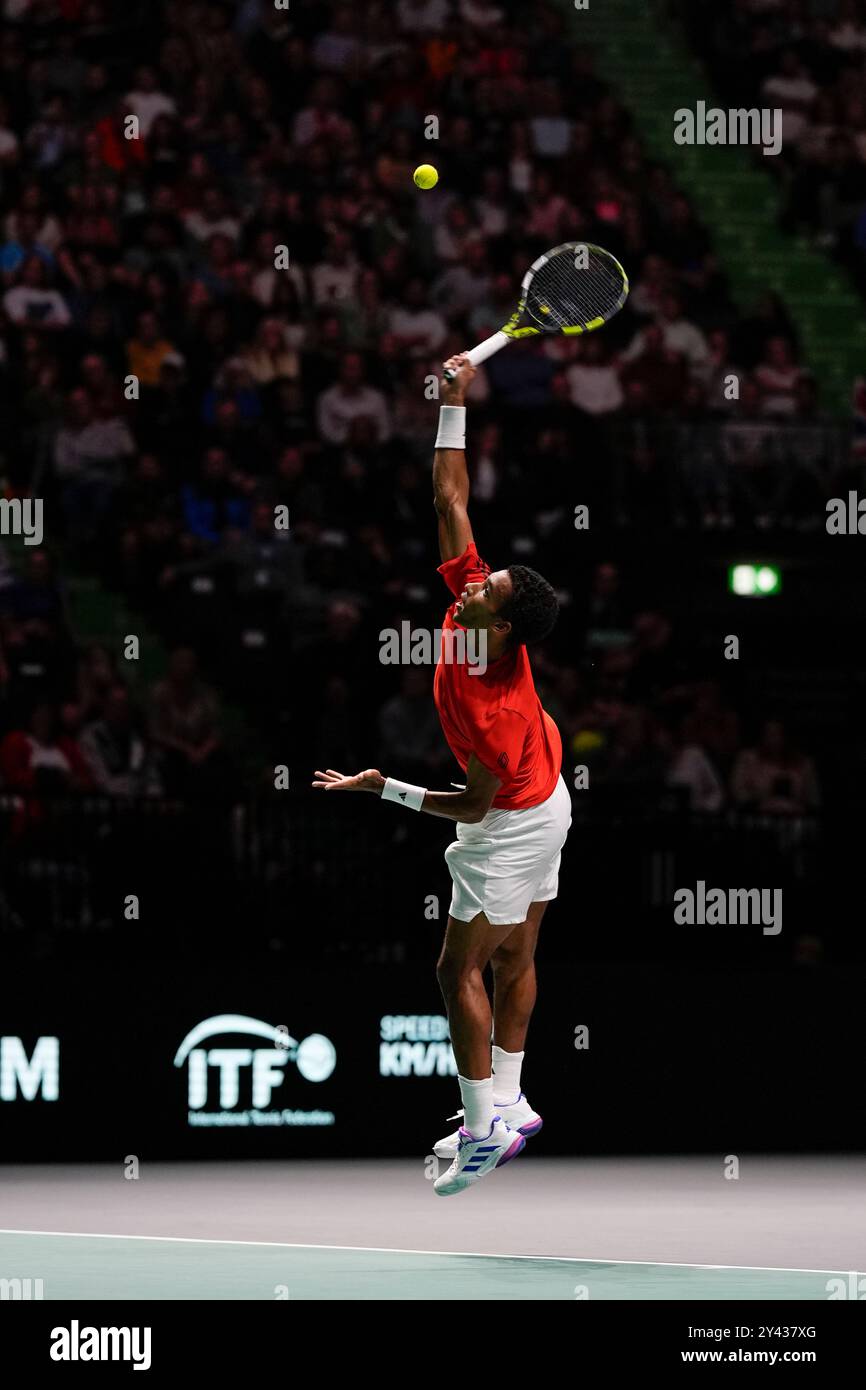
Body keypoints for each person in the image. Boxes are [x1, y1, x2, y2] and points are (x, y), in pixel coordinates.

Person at [313, 352, 571, 1196]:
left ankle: (480, 1127)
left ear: (502, 628)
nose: (466, 587)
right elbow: (449, 496)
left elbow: (469, 806)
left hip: (512, 816)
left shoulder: (494, 709)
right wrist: (454, 401)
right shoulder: (473, 605)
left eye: (483, 593)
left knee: (457, 969)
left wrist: (379, 785)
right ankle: (514, 1096)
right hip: (549, 797)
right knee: (516, 955)